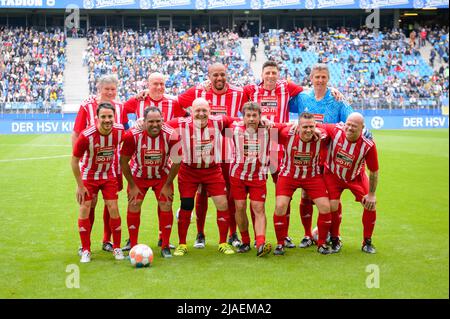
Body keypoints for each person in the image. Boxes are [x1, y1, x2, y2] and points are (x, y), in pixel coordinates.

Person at [177, 63, 246, 250]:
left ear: (227, 75)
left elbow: (249, 110)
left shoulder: (239, 92)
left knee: (228, 197)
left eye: (222, 74)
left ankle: (232, 235)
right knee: (201, 195)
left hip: (229, 154)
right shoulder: (199, 90)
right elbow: (178, 103)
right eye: (215, 75)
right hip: (201, 156)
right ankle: (200, 234)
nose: (219, 78)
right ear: (209, 76)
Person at [288, 63, 353, 249]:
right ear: (311, 78)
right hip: (308, 154)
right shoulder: (302, 97)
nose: (320, 80)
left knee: (333, 197)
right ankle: (308, 235)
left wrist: (363, 129)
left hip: (331, 155)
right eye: (317, 76)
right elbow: (281, 99)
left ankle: (335, 235)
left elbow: (350, 116)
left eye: (323, 77)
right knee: (306, 195)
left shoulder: (336, 98)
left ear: (328, 78)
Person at [165, 98, 241, 256]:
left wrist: (264, 120)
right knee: (186, 206)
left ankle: (222, 242)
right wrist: (140, 122)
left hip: (212, 170)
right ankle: (182, 244)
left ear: (210, 110)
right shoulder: (181, 123)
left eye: (204, 110)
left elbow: (239, 120)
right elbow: (159, 124)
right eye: (197, 110)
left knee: (222, 204)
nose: (201, 113)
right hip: (189, 171)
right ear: (191, 111)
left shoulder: (218, 121)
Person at [123, 72, 187, 250]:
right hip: (140, 165)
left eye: (161, 84)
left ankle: (163, 240)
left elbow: (185, 117)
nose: (159, 87)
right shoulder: (137, 100)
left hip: (163, 164)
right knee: (134, 202)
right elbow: (120, 111)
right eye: (155, 84)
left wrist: (172, 133)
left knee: (165, 201)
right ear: (147, 85)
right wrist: (130, 126)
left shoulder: (173, 102)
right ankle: (132, 242)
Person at [72, 74, 128, 255]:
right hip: (90, 165)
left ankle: (107, 240)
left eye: (113, 89)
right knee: (91, 202)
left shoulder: (120, 106)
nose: (110, 92)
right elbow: (76, 133)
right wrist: (80, 163)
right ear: (99, 89)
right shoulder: (87, 105)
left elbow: (125, 133)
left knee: (111, 202)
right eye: (107, 89)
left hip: (112, 165)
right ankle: (85, 244)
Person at [120, 107, 181, 258]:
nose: (155, 124)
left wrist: (167, 185)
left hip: (162, 176)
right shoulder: (132, 136)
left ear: (163, 120)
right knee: (134, 204)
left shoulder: (172, 135)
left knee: (166, 204)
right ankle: (133, 246)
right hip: (139, 176)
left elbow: (177, 161)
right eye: (151, 121)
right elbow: (123, 162)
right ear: (144, 121)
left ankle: (165, 245)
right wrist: (132, 186)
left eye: (158, 121)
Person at [273, 112, 333, 256]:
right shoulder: (286, 134)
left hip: (311, 176)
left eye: (311, 127)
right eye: (305, 127)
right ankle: (280, 244)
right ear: (298, 126)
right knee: (280, 206)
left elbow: (335, 129)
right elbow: (271, 127)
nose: (308, 130)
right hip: (288, 175)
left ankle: (321, 243)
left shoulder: (321, 135)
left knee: (325, 207)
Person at [320, 113, 379, 254]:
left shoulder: (368, 145)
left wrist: (371, 194)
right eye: (349, 124)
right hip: (333, 175)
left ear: (362, 128)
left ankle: (367, 241)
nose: (350, 128)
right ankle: (335, 238)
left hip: (355, 177)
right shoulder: (335, 130)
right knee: (332, 205)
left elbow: (374, 171)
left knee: (370, 204)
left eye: (355, 126)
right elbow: (315, 126)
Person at [228, 102, 277, 257]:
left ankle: (261, 243)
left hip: (259, 176)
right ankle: (245, 241)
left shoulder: (269, 130)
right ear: (243, 117)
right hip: (238, 175)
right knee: (240, 207)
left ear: (260, 117)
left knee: (258, 208)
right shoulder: (234, 129)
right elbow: (216, 120)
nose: (251, 119)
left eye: (254, 115)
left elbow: (290, 127)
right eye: (247, 115)